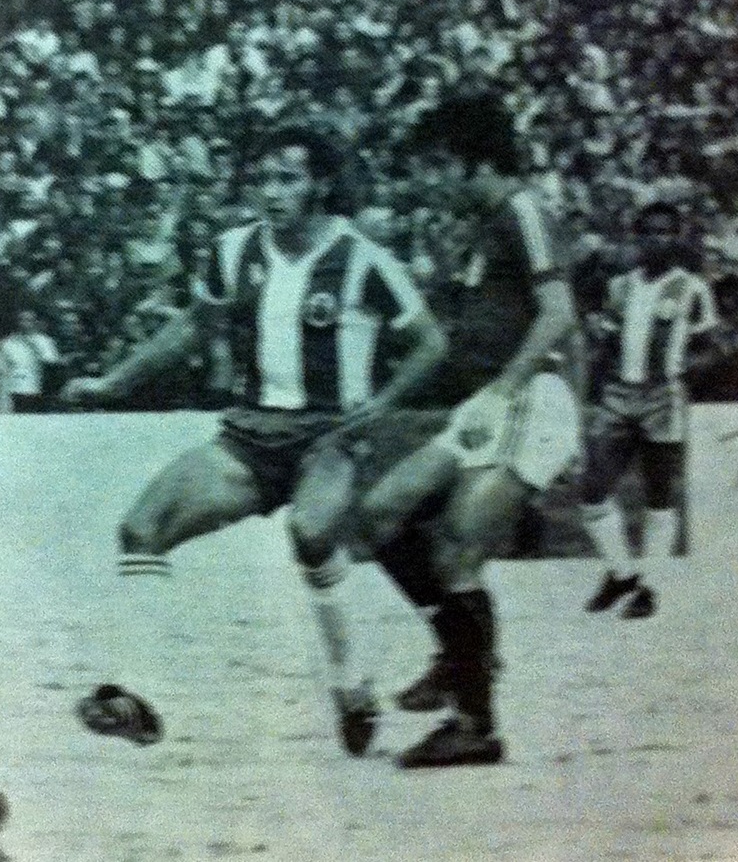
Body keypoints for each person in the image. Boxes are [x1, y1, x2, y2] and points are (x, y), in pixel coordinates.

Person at [62, 121, 448, 757]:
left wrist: (378, 407)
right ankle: (132, 696)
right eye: (263, 179)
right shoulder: (234, 250)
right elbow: (195, 326)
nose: (271, 192)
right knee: (141, 528)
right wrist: (115, 381)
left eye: (287, 179)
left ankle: (351, 685)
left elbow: (429, 343)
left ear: (319, 185)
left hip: (330, 434)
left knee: (312, 533)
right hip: (252, 434)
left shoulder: (363, 260)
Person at [359, 92, 582, 768]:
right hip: (487, 403)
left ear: (472, 161)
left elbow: (558, 315)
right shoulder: (483, 229)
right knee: (380, 512)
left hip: (528, 398)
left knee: (457, 549)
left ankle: (475, 724)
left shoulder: (523, 210)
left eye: (438, 165)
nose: (431, 181)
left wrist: (510, 391)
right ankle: (460, 652)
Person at [581, 200, 718, 619]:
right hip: (618, 395)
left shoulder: (692, 289)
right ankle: (622, 573)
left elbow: (710, 347)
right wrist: (596, 371)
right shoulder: (620, 287)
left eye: (665, 232)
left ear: (677, 239)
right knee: (592, 491)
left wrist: (681, 373)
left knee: (658, 495)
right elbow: (607, 342)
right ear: (636, 237)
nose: (657, 240)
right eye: (649, 232)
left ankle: (650, 586)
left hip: (663, 398)